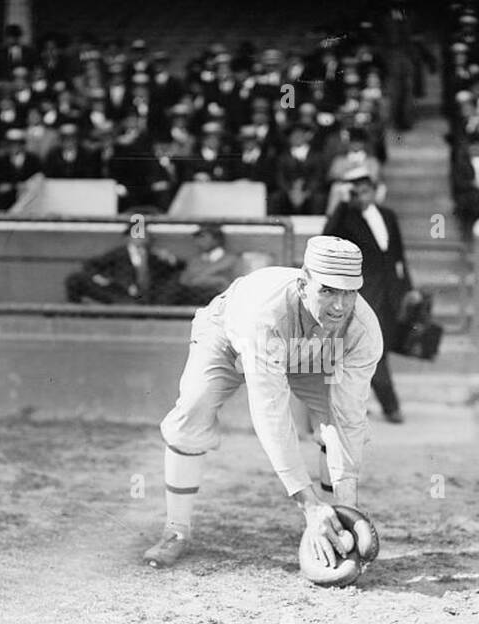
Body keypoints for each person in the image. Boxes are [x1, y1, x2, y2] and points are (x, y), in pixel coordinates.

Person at [143, 236, 383, 568]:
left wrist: (349, 509)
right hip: (229, 337)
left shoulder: (362, 330)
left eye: (349, 292)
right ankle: (176, 531)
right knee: (194, 409)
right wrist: (309, 505)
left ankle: (335, 522)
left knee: (334, 417)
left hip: (315, 351)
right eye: (328, 290)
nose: (340, 306)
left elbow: (349, 418)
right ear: (303, 285)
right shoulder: (264, 313)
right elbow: (271, 412)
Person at [321, 167, 412, 423]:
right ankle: (391, 406)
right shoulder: (346, 218)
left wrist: (408, 290)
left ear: (374, 190)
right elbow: (326, 236)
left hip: (391, 294)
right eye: (357, 193)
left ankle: (354, 403)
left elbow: (398, 257)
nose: (362, 197)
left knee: (367, 350)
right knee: (372, 349)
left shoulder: (388, 215)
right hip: (361, 295)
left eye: (366, 191)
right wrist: (341, 206)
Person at [64, 222, 183, 305]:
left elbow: (179, 267)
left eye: (144, 234)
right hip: (122, 293)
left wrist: (170, 259)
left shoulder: (154, 255)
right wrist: (101, 278)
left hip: (149, 296)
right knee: (75, 278)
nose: (141, 237)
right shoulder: (119, 253)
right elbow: (91, 265)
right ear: (128, 237)